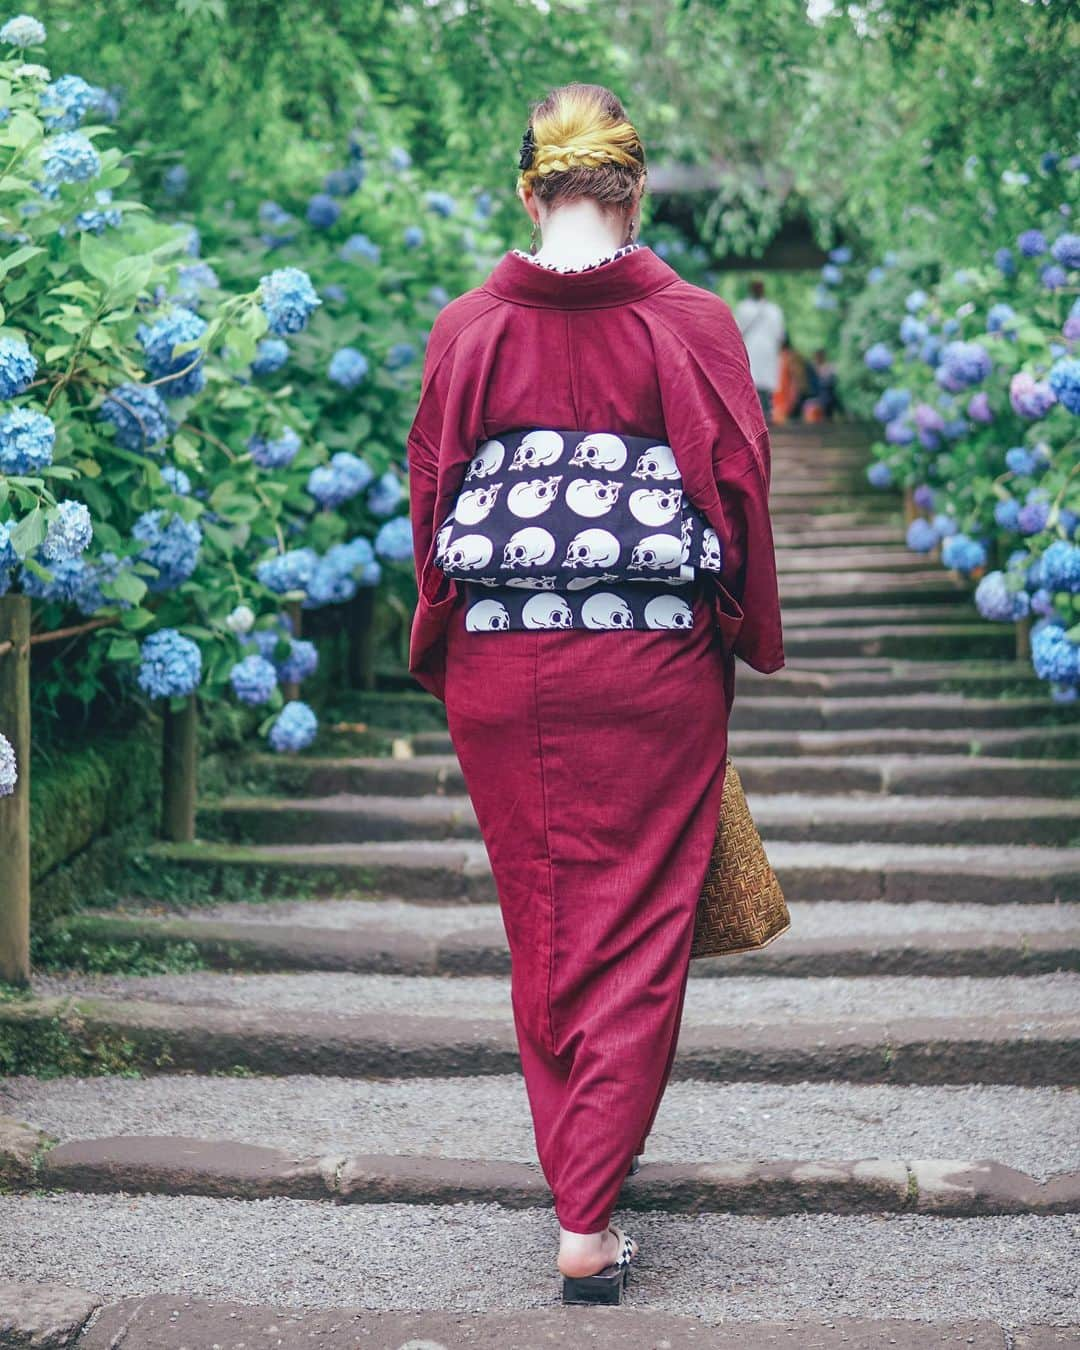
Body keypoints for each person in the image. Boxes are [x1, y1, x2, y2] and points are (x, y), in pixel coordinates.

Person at [405, 82, 784, 1301]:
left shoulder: (469, 328)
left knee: (545, 918)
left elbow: (431, 503)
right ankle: (587, 1211)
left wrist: (451, 640)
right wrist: (732, 626)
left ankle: (578, 1182)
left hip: (501, 669)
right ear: (631, 183)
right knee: (635, 923)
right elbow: (733, 491)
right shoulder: (695, 323)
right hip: (651, 661)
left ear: (530, 184)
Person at [734, 278, 786, 423]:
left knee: (758, 385)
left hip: (758, 350)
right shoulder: (772, 310)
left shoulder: (745, 308)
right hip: (762, 351)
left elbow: (737, 332)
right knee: (759, 385)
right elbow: (780, 335)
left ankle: (760, 416)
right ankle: (762, 415)